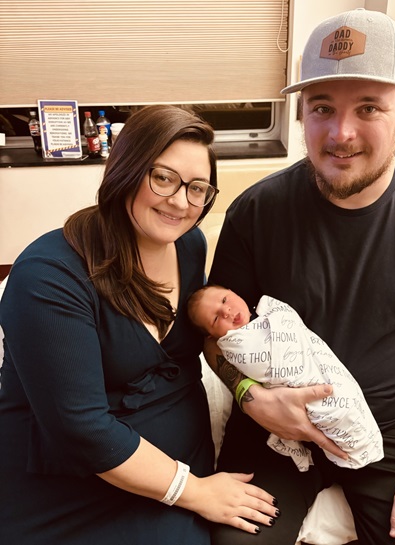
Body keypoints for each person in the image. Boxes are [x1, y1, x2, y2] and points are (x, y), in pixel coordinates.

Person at [204, 8, 395, 545]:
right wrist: (250, 395)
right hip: (275, 425)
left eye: (369, 108)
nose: (341, 133)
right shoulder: (255, 213)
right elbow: (217, 334)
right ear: (300, 114)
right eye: (322, 108)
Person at [0, 104, 279, 545]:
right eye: (163, 178)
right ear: (125, 170)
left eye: (198, 188)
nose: (180, 202)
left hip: (180, 465)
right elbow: (82, 428)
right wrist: (197, 492)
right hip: (79, 484)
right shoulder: (48, 276)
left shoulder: (189, 245)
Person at [188, 284, 383, 472]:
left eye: (224, 299)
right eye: (215, 319)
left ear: (233, 292)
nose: (226, 311)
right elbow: (225, 354)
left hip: (373, 406)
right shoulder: (237, 346)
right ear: (212, 336)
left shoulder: (270, 312)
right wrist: (252, 397)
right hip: (279, 416)